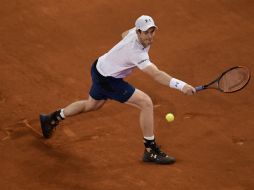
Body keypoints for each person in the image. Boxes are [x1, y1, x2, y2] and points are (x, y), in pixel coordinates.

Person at [40, 15, 196, 165]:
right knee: (146, 103)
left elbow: (124, 34)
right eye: (146, 32)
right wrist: (182, 86)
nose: (150, 36)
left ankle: (52, 118)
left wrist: (119, 57)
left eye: (152, 31)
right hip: (109, 80)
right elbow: (156, 74)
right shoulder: (136, 52)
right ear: (138, 32)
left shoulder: (133, 33)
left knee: (92, 105)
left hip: (99, 67)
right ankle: (150, 150)